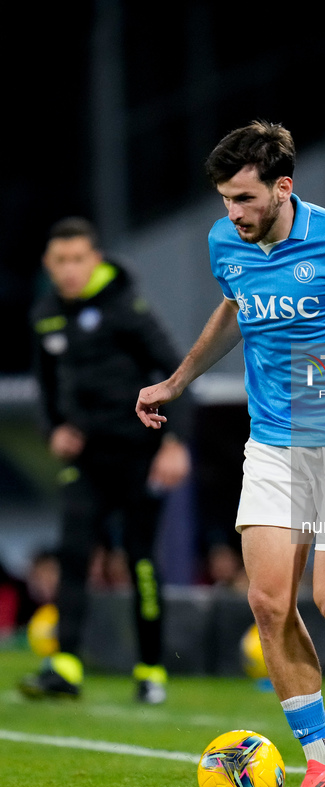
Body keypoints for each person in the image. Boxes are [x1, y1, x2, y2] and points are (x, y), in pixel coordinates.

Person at [136, 122, 325, 787]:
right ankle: (321, 762)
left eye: (243, 199)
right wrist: (176, 381)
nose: (232, 214)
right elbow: (235, 310)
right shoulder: (227, 244)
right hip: (273, 440)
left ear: (282, 187)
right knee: (268, 602)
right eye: (223, 201)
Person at [20, 217, 192, 703]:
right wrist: (55, 430)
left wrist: (175, 442)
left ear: (94, 259)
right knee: (73, 555)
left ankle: (151, 671)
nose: (70, 270)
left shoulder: (128, 307)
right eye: (60, 261)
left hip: (140, 454)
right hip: (87, 459)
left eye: (78, 259)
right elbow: (45, 387)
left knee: (139, 559)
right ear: (48, 266)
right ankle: (66, 666)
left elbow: (175, 372)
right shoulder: (46, 314)